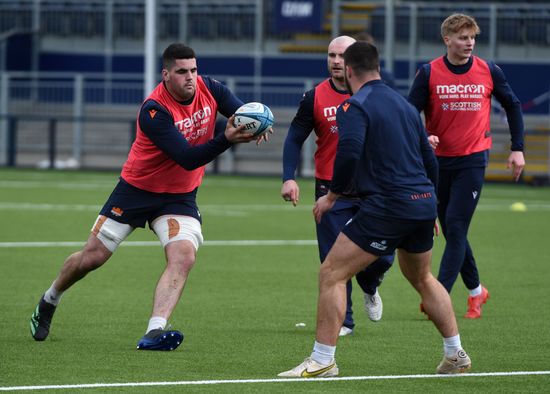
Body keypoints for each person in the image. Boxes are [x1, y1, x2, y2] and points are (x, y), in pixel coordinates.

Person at [29, 43, 267, 351]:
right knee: (93, 257)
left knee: (183, 256)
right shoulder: (154, 110)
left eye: (193, 70)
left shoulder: (210, 88)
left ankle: (154, 332)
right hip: (136, 190)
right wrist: (226, 138)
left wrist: (257, 123)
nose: (190, 78)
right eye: (182, 72)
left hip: (179, 196)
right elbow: (188, 157)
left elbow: (241, 112)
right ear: (166, 74)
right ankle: (50, 298)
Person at [279, 41, 471, 378]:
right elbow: (429, 159)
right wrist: (432, 204)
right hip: (421, 203)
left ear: (350, 70)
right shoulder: (405, 106)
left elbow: (349, 152)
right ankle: (455, 353)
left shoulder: (355, 106)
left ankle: (323, 360)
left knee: (331, 273)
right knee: (422, 277)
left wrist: (332, 196)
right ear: (378, 67)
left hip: (388, 205)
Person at [408, 14, 525, 319]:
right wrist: (424, 137)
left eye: (472, 37)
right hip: (436, 163)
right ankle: (476, 291)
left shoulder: (489, 71)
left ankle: (439, 296)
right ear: (447, 39)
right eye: (462, 37)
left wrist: (518, 149)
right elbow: (409, 115)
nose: (469, 43)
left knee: (457, 227)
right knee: (451, 230)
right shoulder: (428, 73)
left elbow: (512, 105)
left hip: (473, 160)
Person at [281, 35, 394, 337]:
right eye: (331, 55)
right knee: (333, 260)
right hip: (329, 190)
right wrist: (288, 177)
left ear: (354, 60)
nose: (335, 61)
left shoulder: (376, 96)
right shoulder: (314, 97)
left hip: (373, 188)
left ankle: (370, 283)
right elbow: (294, 137)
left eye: (341, 55)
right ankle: (345, 321)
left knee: (383, 255)